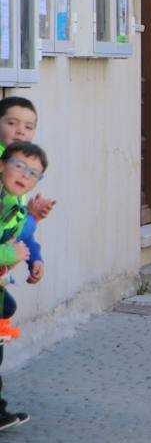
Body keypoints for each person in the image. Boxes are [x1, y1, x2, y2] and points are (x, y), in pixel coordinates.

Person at [0, 142, 48, 432]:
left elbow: (24, 235)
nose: (25, 174)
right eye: (19, 165)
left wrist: (35, 259)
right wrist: (11, 255)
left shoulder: (16, 204)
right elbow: (11, 247)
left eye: (33, 173)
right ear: (2, 165)